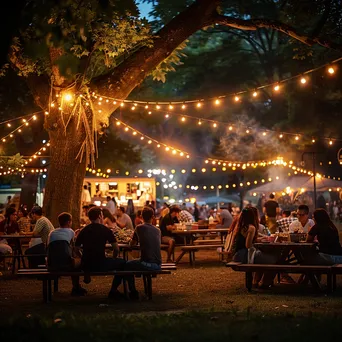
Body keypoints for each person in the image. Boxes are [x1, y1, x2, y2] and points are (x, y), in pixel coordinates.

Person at [111, 206, 162, 300]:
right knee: (130, 264)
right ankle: (120, 291)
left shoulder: (139, 228)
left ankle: (132, 291)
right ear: (153, 217)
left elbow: (131, 244)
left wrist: (130, 241)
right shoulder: (158, 230)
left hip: (146, 263)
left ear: (141, 217)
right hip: (158, 264)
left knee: (126, 265)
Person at [75, 207, 126, 298]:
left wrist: (82, 257)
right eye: (102, 215)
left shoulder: (84, 230)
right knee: (123, 263)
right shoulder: (105, 230)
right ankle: (113, 290)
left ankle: (76, 288)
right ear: (99, 216)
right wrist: (114, 258)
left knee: (74, 265)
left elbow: (76, 249)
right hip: (101, 263)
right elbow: (116, 248)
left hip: (86, 264)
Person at [47, 212, 86, 296]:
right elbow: (74, 248)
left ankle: (76, 287)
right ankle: (76, 287)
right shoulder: (71, 232)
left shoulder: (52, 233)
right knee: (78, 263)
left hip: (52, 264)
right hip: (66, 264)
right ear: (69, 222)